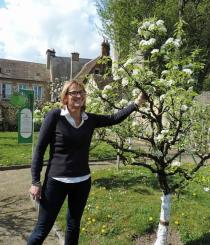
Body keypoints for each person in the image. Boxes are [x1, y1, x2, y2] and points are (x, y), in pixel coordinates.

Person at [27, 79, 147, 245]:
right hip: (56, 182)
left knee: (74, 226)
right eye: (74, 92)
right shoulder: (55, 116)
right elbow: (39, 150)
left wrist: (136, 103)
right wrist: (35, 181)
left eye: (81, 92)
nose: (78, 95)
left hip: (82, 182)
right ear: (65, 97)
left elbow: (114, 118)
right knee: (42, 230)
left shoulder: (89, 119)